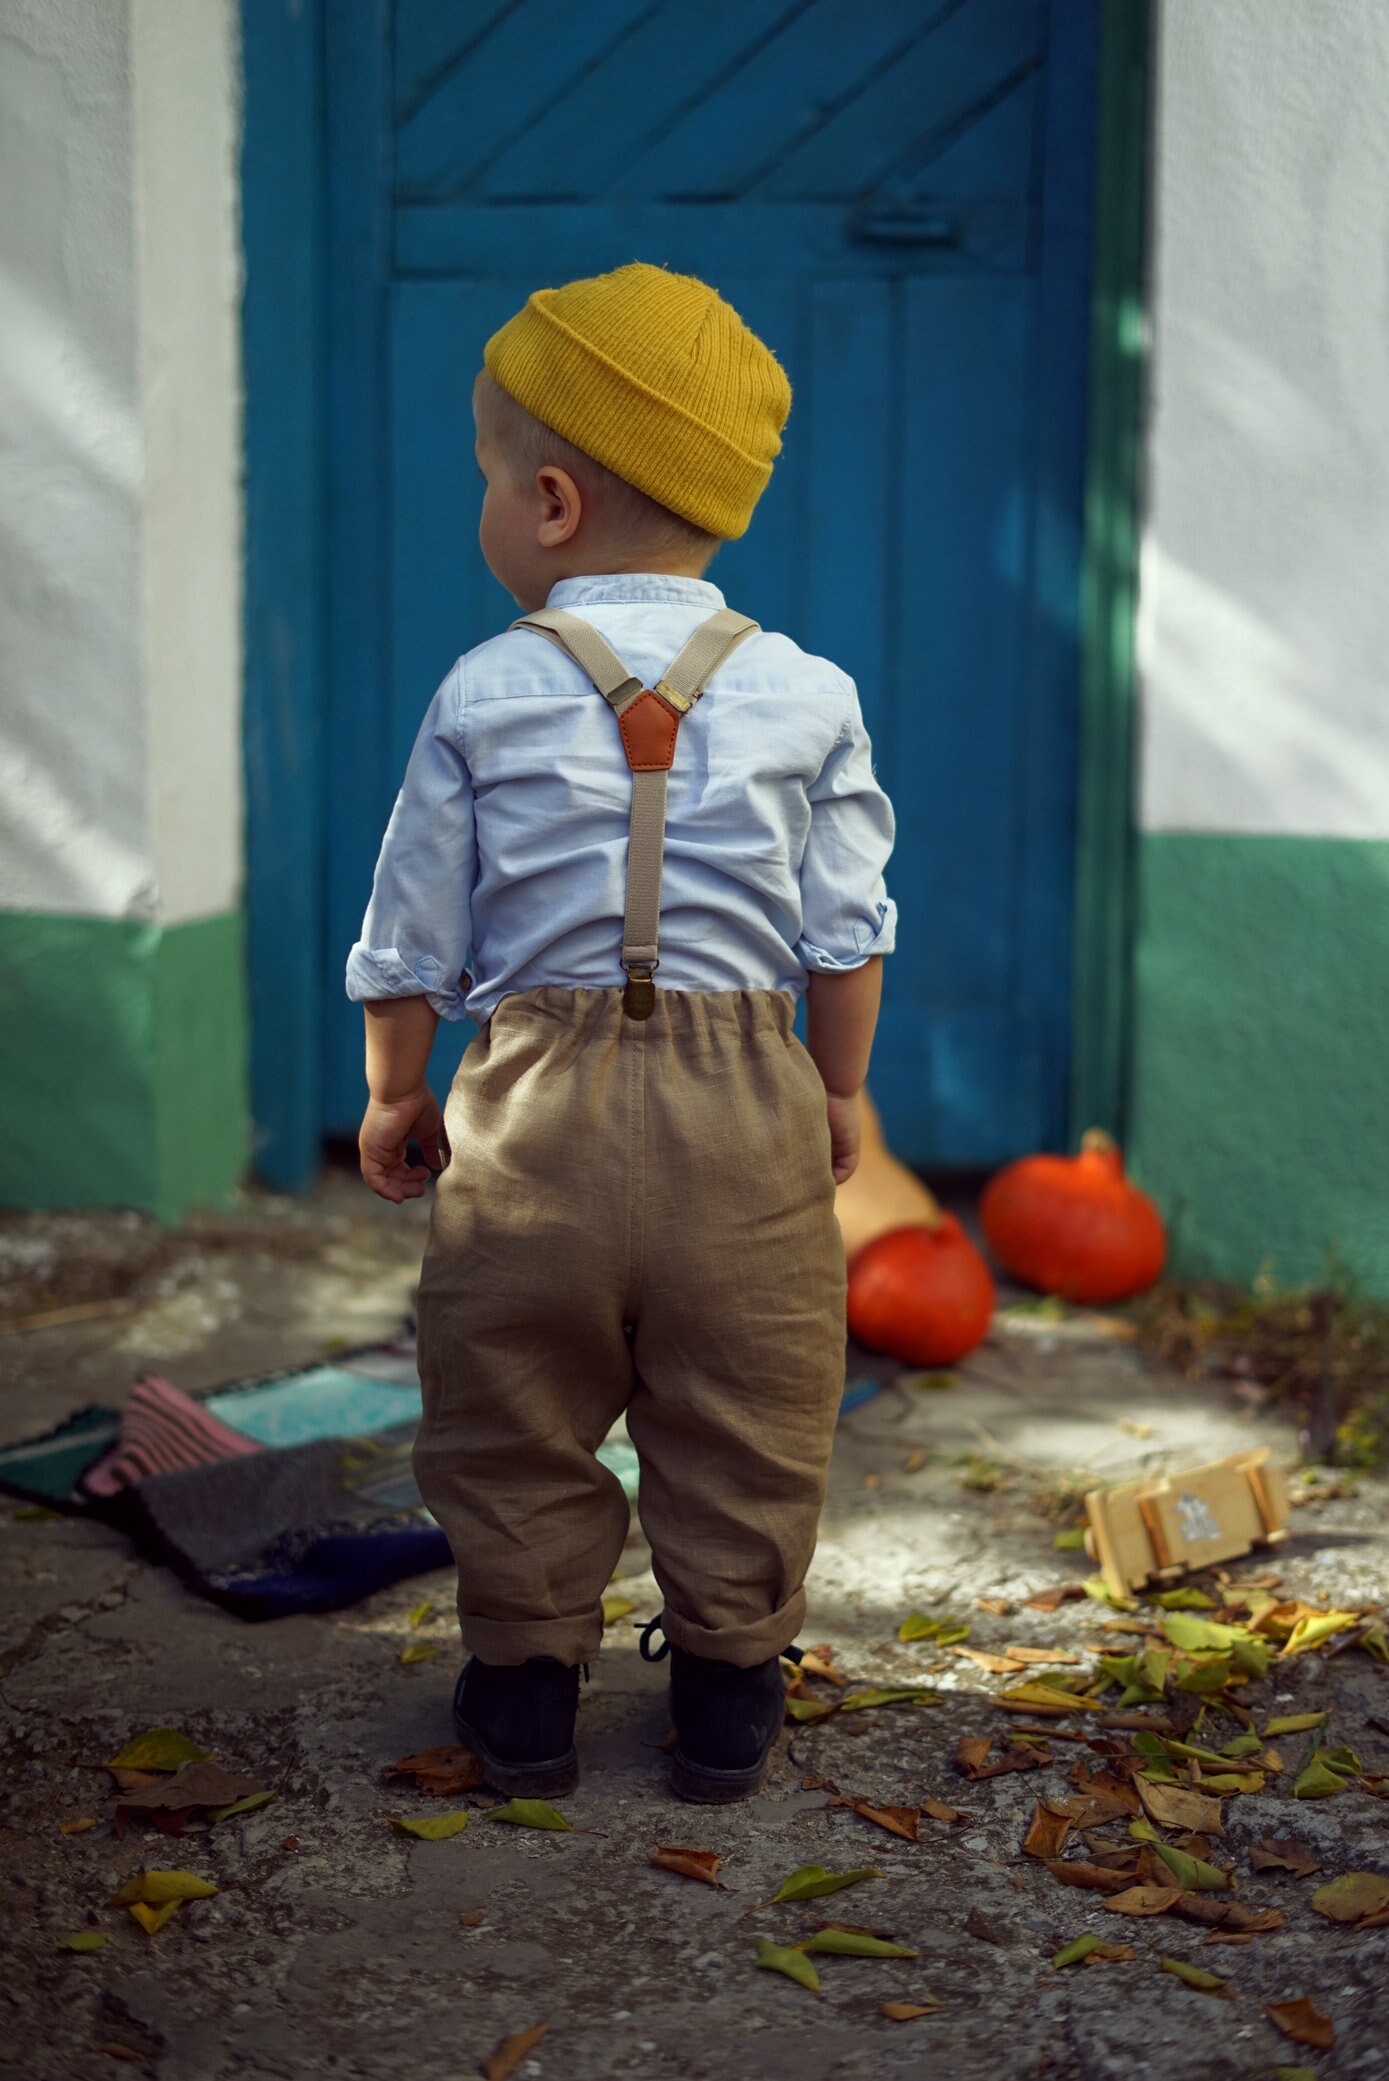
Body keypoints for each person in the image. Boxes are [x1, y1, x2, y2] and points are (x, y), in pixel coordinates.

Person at [347, 263, 896, 1804]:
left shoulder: (483, 688)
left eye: (479, 479)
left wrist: (398, 1091)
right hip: (746, 1107)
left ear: (548, 503)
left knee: (509, 1390)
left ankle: (522, 1684)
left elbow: (411, 929)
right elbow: (845, 929)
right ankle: (728, 1683)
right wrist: (835, 1088)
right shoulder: (808, 692)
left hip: (533, 1111)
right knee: (751, 1401)